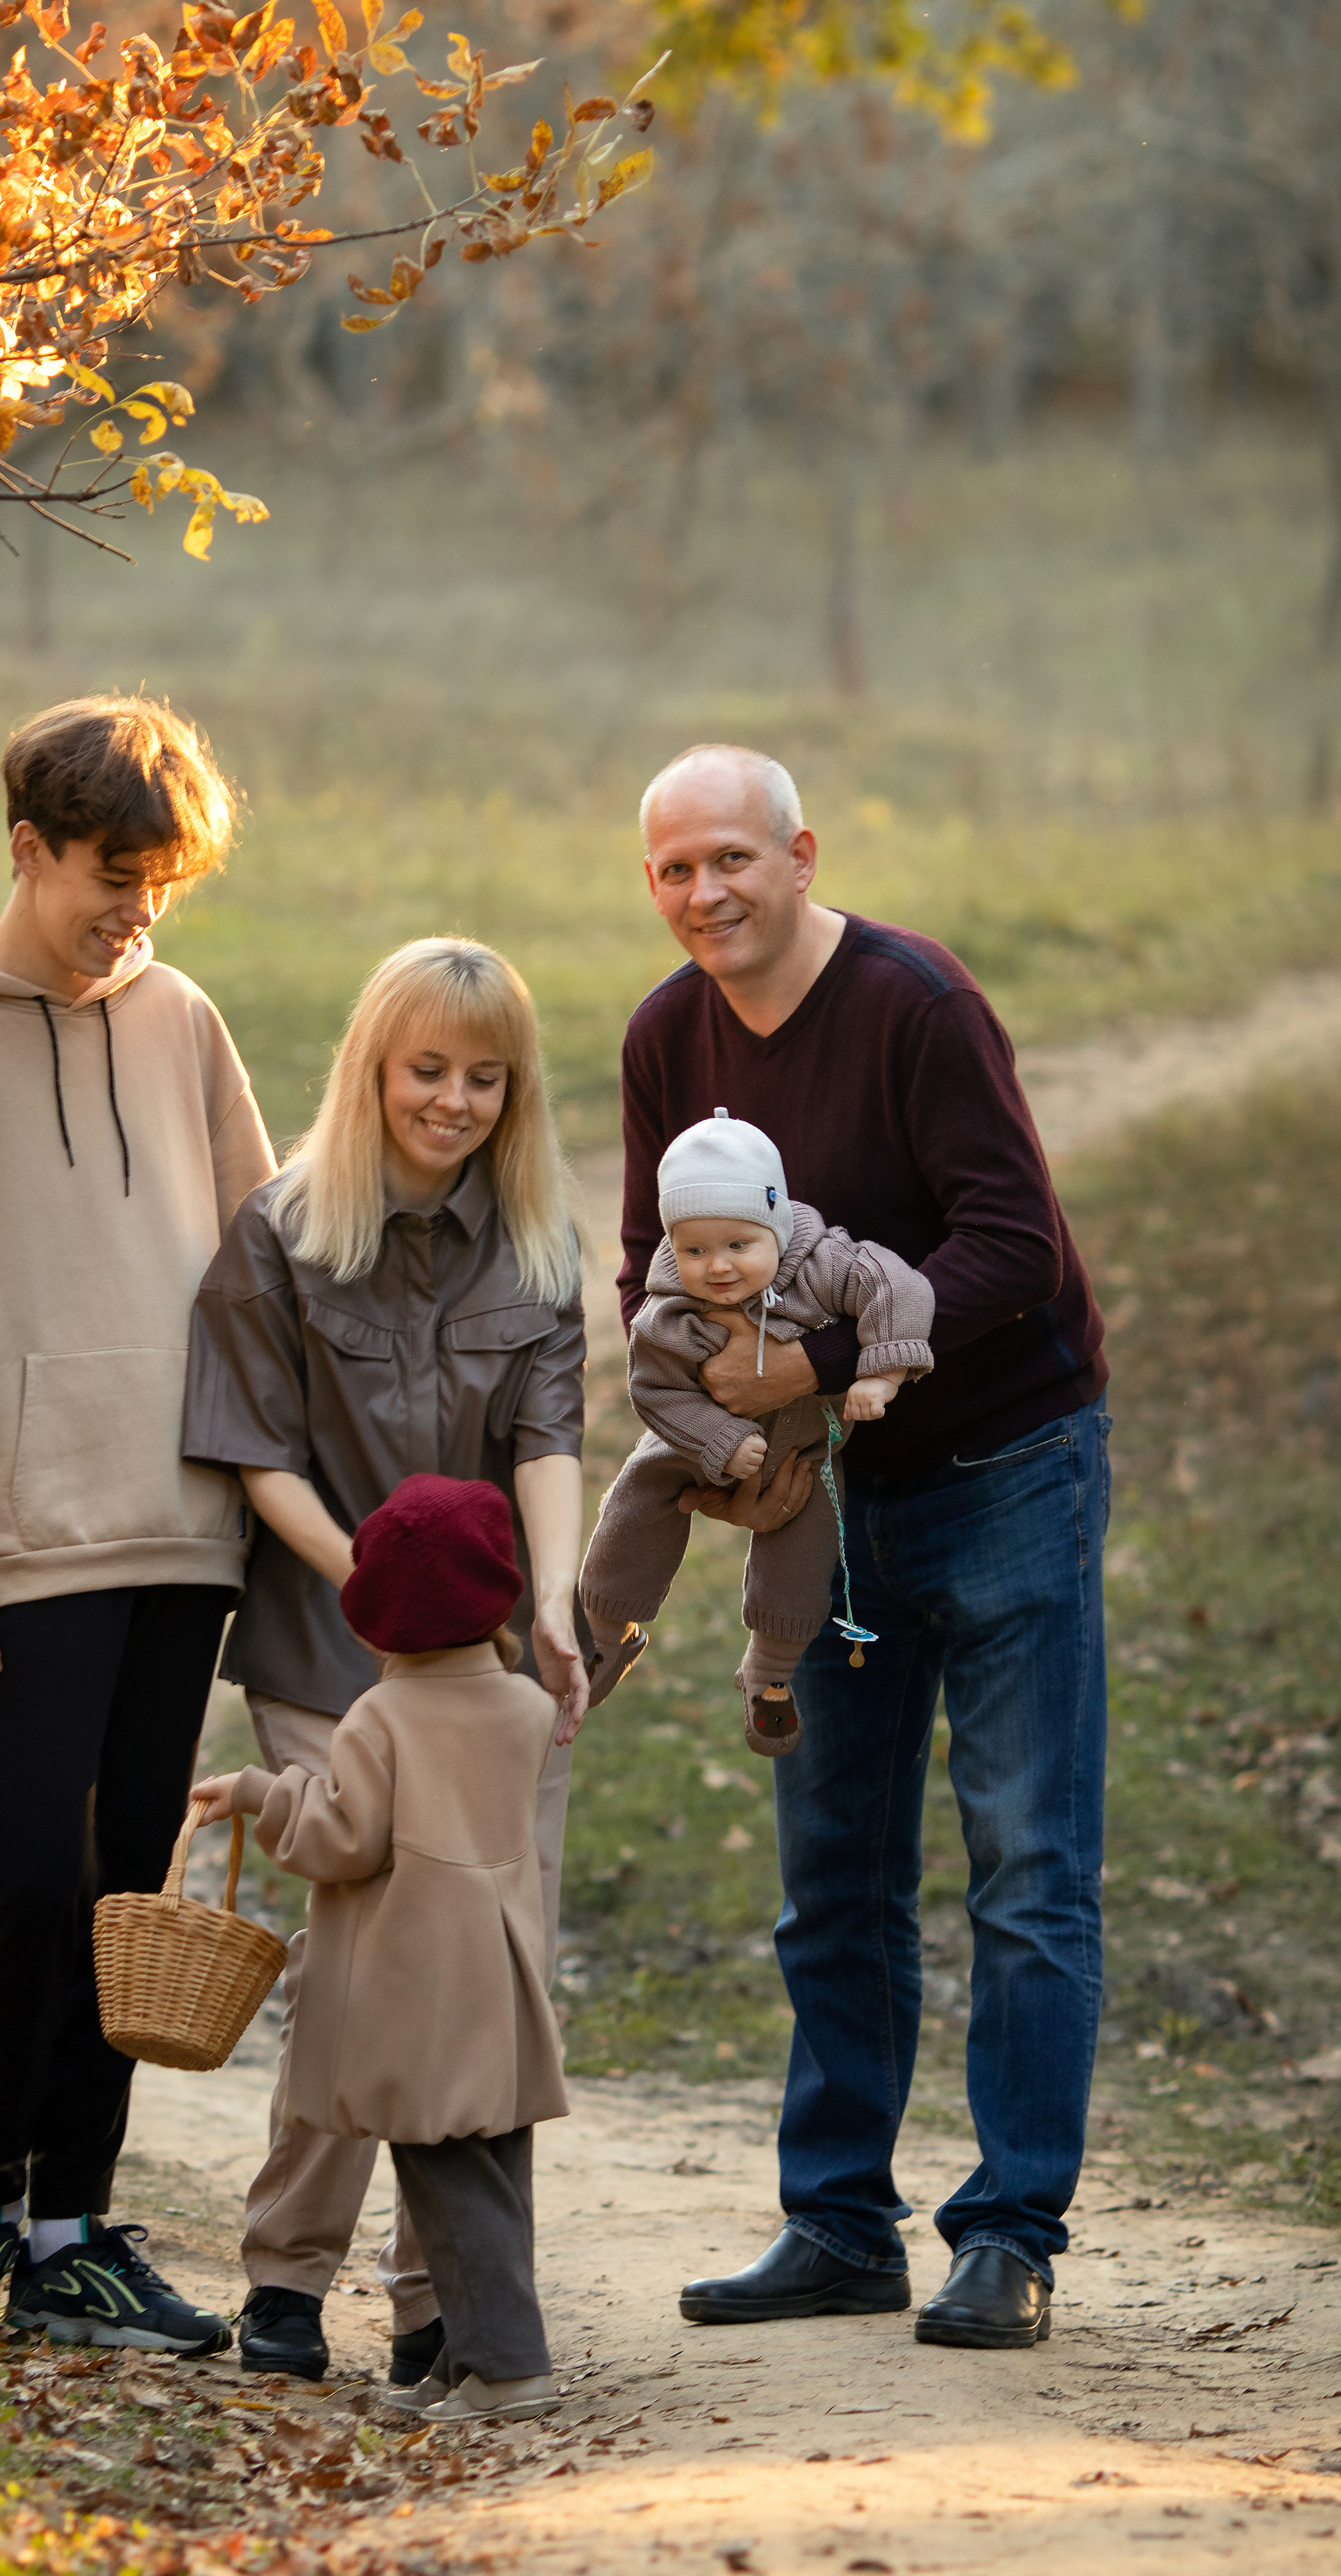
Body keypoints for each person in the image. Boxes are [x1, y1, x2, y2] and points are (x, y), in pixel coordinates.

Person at [622, 744, 1108, 2355]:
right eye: (673, 871)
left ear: (799, 852)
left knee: (1025, 1862)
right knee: (831, 1870)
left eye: (730, 861)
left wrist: (813, 1365)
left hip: (1004, 1467)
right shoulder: (663, 1037)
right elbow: (657, 1264)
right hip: (823, 1517)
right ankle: (836, 2219)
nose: (704, 896)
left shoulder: (912, 1003)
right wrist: (711, 1417)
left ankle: (1009, 2230)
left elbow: (1011, 1247)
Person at [0, 693, 274, 2346]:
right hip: (18, 1531)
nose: (136, 911)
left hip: (183, 1526)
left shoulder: (184, 1023)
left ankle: (76, 2226)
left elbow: (255, 1268)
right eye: (111, 875)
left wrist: (289, 1506)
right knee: (20, 1868)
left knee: (123, 1889)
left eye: (162, 882)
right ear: (29, 848)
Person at [182, 935, 588, 2386]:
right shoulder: (279, 1235)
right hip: (327, 1653)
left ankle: (445, 2307)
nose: (457, 1101)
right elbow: (251, 1455)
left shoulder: (534, 1245)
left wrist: (546, 1604)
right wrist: (382, 1589)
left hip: (487, 1681)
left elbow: (547, 1440)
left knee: (482, 1977)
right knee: (359, 1967)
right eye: (429, 1071)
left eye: (487, 1078)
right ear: (372, 1067)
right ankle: (285, 2283)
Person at [190, 1474, 567, 2424]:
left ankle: (510, 2371)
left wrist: (258, 1792)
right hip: (501, 1973)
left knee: (441, 2178)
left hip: (418, 1981)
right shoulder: (524, 1707)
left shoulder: (381, 1719)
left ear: (375, 1620)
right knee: (493, 2171)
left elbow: (342, 1842)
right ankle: (468, 2360)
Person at [578, 1108, 933, 1754]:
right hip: (695, 1432)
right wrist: (716, 1439)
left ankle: (770, 1675)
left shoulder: (825, 1265)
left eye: (738, 1245)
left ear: (774, 1225)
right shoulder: (672, 1311)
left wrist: (880, 1372)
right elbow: (653, 1389)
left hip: (802, 1443)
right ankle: (604, 1633)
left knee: (807, 1536)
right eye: (694, 1249)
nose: (717, 1267)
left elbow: (900, 1286)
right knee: (640, 1491)